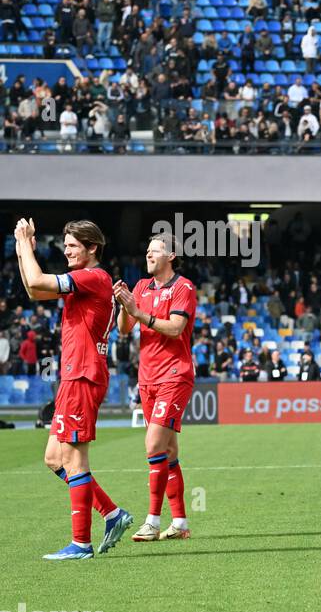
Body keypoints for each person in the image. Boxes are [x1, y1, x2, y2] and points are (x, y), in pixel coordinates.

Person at [15, 218, 133, 559]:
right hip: (74, 375)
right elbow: (33, 289)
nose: (66, 251)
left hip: (82, 375)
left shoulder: (93, 277)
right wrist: (27, 253)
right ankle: (112, 513)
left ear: (92, 248)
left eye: (72, 246)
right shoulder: (89, 279)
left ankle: (81, 544)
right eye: (64, 245)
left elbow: (37, 281)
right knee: (54, 458)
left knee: (75, 459)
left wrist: (23, 242)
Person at [113, 234, 197, 542]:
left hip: (174, 376)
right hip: (147, 378)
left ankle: (152, 520)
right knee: (168, 451)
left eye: (155, 250)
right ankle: (181, 523)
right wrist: (125, 305)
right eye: (147, 250)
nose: (148, 254)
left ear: (171, 255)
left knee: (152, 446)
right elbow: (124, 330)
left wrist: (138, 312)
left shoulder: (183, 287)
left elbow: (176, 329)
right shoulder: (140, 288)